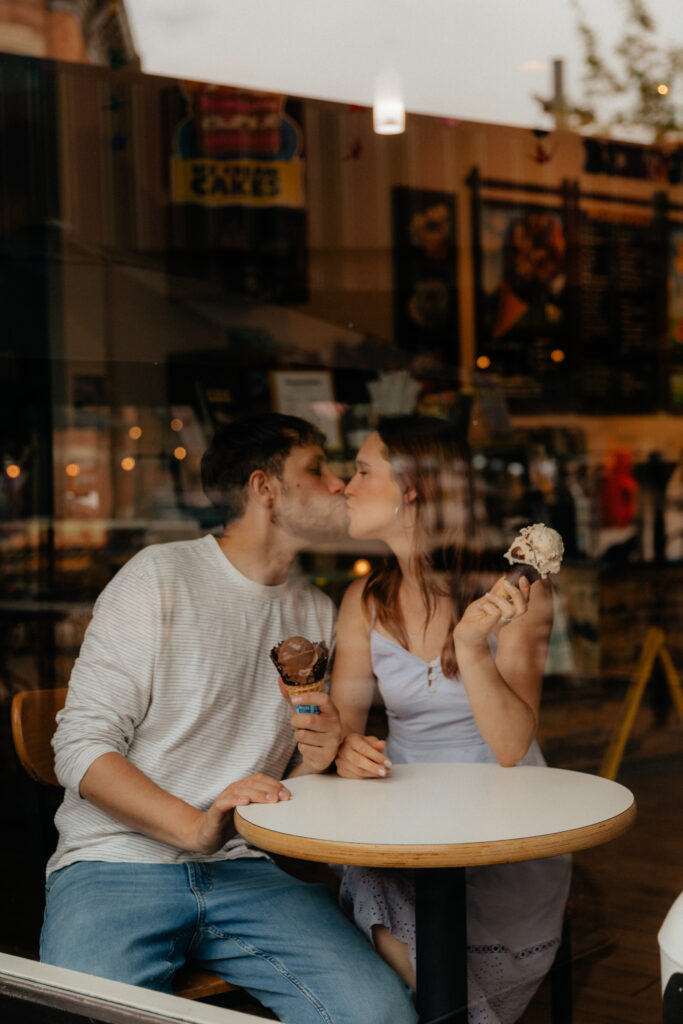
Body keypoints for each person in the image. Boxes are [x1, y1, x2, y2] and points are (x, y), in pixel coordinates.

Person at [40, 413, 417, 1024]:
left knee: (381, 1016)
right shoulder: (158, 578)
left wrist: (318, 756)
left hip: (246, 868)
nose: (340, 485)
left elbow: (293, 772)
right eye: (317, 470)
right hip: (114, 865)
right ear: (264, 489)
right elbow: (79, 747)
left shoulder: (315, 611)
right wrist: (194, 828)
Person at [331, 415, 571, 1024]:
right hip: (405, 823)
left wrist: (470, 647)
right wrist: (343, 748)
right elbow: (337, 729)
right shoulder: (364, 601)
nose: (344, 485)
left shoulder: (511, 593)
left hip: (505, 830)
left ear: (413, 488)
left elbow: (513, 744)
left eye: (362, 471)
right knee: (369, 873)